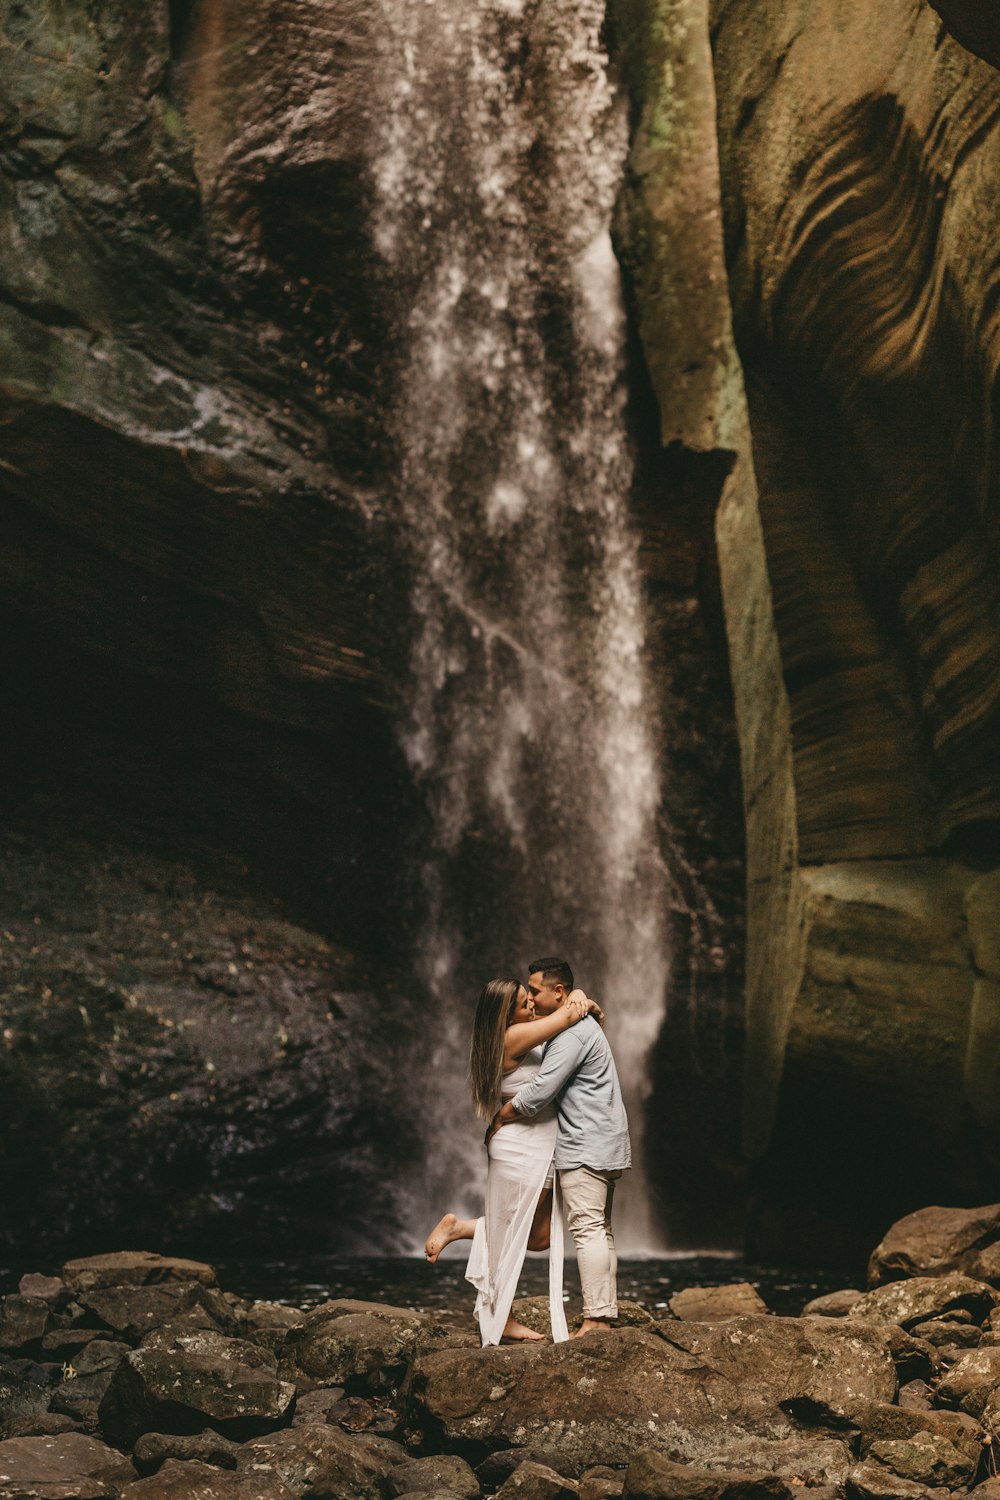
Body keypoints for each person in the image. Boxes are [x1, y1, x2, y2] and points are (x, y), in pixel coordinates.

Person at [424, 977, 598, 1345]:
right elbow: (568, 1017)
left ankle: (460, 1228)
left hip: (539, 1143)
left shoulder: (522, 1033)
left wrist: (579, 997)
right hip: (520, 1146)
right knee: (514, 1233)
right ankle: (502, 1318)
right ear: (506, 1014)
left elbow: (576, 1014)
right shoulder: (512, 1038)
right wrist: (577, 996)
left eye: (531, 998)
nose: (533, 1005)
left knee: (537, 1236)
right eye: (524, 1003)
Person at [489, 956, 630, 1337]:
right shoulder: (573, 1023)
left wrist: (502, 1115)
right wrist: (581, 1001)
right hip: (603, 1140)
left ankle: (598, 1318)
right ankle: (604, 1312)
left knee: (587, 1229)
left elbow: (540, 1091)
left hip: (585, 1142)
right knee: (599, 1229)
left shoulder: (570, 1033)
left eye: (534, 991)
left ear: (559, 992)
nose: (530, 999)